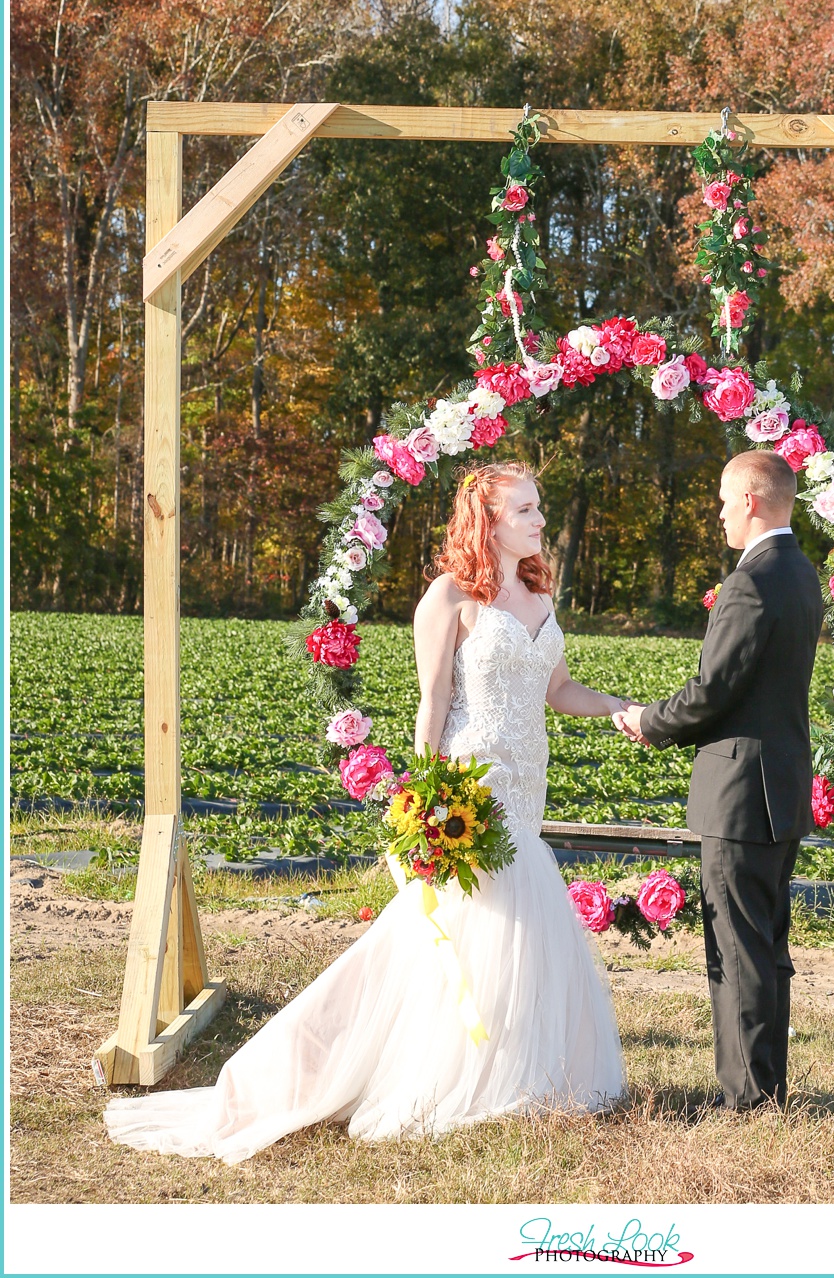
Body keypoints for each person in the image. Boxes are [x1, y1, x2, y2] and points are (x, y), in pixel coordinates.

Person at [105, 462, 630, 1162]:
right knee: (458, 928)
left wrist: (624, 709)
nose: (540, 521)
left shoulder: (539, 591)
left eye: (539, 507)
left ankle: (523, 1073)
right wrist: (432, 797)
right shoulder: (449, 599)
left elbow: (558, 687)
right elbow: (432, 703)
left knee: (521, 930)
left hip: (529, 784)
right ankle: (438, 1073)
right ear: (491, 522)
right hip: (472, 784)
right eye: (526, 510)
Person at [613, 448, 823, 1112]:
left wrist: (649, 721)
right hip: (779, 788)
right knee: (763, 949)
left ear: (754, 502)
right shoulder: (801, 574)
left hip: (740, 796)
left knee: (739, 953)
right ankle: (761, 1090)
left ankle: (750, 1102)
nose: (721, 514)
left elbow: (714, 691)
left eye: (727, 501)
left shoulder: (752, 582)